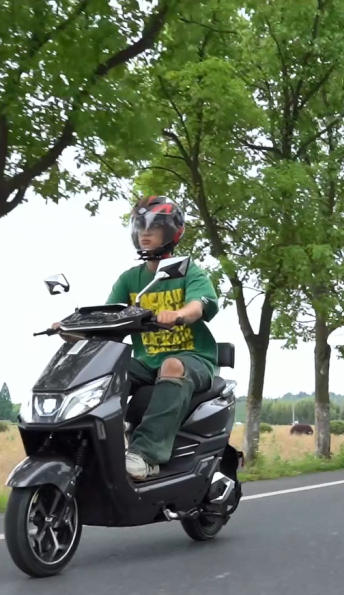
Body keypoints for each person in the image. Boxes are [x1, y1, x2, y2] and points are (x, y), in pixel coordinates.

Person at [53, 195, 220, 480]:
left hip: (193, 359)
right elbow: (108, 318)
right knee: (99, 366)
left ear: (172, 233)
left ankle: (146, 455)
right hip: (146, 363)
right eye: (140, 226)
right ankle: (83, 446)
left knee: (172, 365)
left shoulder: (189, 271)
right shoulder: (129, 279)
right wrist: (73, 329)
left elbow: (200, 306)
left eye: (155, 227)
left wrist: (179, 313)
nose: (145, 232)